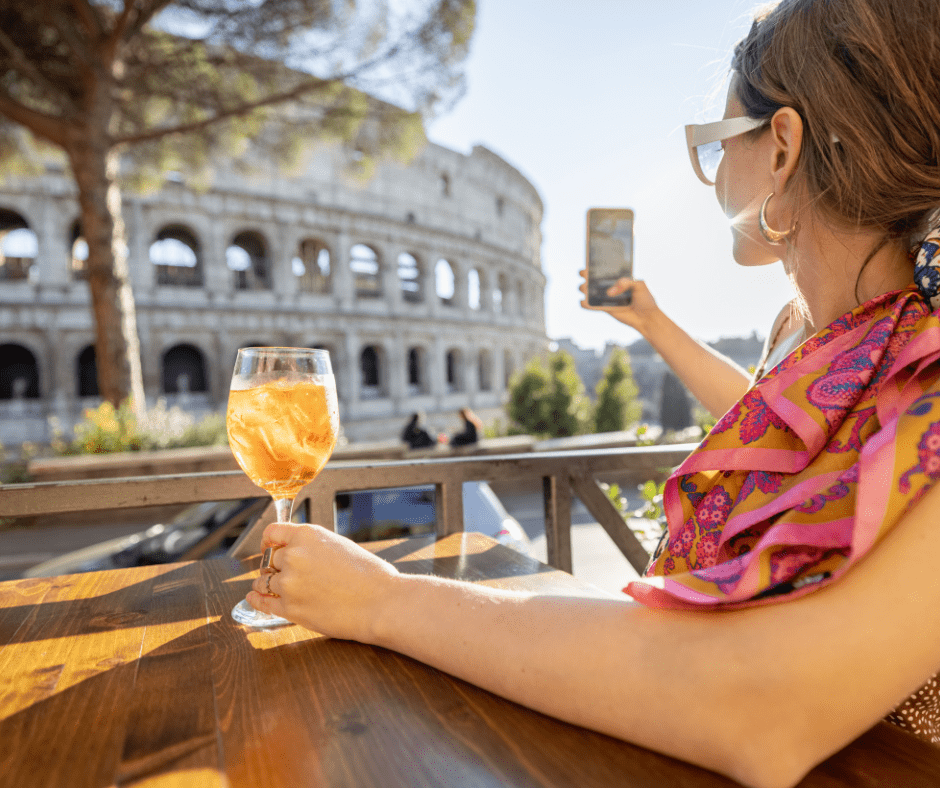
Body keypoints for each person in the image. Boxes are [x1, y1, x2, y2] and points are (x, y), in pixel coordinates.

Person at [246, 3, 940, 785]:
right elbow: (769, 420)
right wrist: (649, 320)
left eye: (714, 147)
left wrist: (382, 601)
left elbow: (758, 703)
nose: (712, 176)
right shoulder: (824, 331)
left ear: (780, 149)